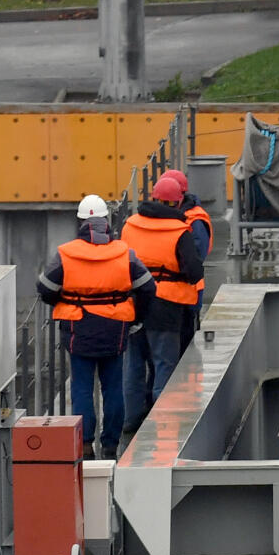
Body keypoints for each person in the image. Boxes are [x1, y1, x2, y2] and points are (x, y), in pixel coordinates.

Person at [35, 195, 154, 459]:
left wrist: (66, 299)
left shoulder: (66, 254)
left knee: (81, 389)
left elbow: (45, 288)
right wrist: (136, 317)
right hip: (116, 329)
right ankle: (111, 445)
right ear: (107, 222)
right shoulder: (125, 253)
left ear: (80, 222)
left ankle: (85, 445)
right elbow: (147, 287)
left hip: (79, 330)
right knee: (113, 388)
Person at [121, 171, 208, 426]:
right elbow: (194, 271)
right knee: (164, 364)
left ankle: (131, 420)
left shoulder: (130, 225)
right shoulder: (180, 231)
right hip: (166, 306)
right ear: (178, 201)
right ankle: (162, 422)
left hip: (134, 304)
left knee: (134, 365)